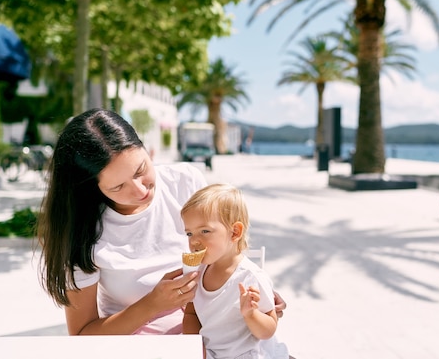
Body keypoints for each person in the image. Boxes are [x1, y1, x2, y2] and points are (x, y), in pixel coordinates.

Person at [36, 108, 286, 336]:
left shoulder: (185, 182)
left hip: (215, 334)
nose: (139, 190)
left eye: (140, 170)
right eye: (118, 186)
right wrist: (152, 304)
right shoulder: (82, 230)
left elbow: (225, 251)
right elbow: (82, 335)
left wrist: (255, 293)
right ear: (93, 188)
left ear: (147, 149)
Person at [181, 183, 289, 359]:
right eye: (189, 234)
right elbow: (191, 313)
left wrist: (251, 314)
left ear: (234, 232)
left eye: (205, 231)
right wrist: (196, 347)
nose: (194, 241)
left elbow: (268, 330)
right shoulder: (199, 272)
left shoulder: (250, 277)